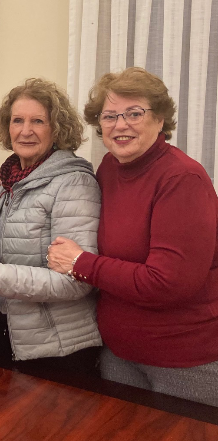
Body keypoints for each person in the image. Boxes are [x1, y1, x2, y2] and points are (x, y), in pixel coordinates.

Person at [48, 67, 218, 405]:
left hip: (183, 360)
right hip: (118, 353)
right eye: (109, 116)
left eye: (134, 113)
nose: (120, 125)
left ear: (160, 120)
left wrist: (81, 264)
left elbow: (167, 283)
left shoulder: (183, 179)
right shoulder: (109, 168)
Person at [0, 79, 101, 371]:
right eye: (17, 120)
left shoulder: (74, 183)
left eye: (38, 121)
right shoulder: (9, 184)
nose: (25, 130)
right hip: (11, 334)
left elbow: (76, 281)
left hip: (58, 348)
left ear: (57, 128)